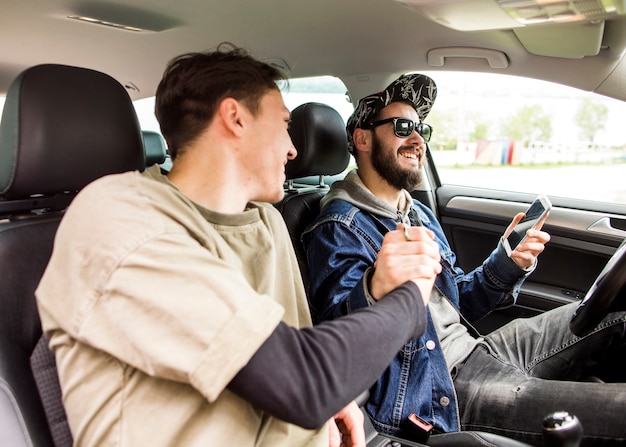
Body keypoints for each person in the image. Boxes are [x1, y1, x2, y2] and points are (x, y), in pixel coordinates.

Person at [35, 45, 444, 447]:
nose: (293, 149)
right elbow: (303, 381)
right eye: (284, 124)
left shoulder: (267, 220)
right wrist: (409, 299)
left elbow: (296, 355)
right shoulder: (119, 217)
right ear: (235, 118)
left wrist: (335, 401)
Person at [303, 73, 626, 446]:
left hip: (478, 347)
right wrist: (374, 289)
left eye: (422, 128)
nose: (417, 138)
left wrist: (508, 263)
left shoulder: (416, 214)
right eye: (403, 126)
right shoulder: (338, 225)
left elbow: (458, 303)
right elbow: (337, 344)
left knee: (615, 318)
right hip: (445, 386)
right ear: (362, 138)